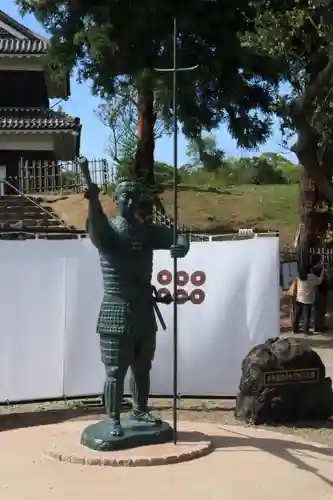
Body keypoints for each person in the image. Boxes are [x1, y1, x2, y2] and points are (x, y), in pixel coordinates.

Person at [84, 178, 190, 438]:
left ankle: (140, 410)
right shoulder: (107, 231)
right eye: (125, 197)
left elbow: (179, 234)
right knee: (114, 370)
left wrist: (182, 245)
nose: (130, 203)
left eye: (134, 198)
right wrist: (93, 199)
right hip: (115, 309)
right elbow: (95, 223)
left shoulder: (146, 231)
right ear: (117, 200)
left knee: (143, 366)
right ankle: (112, 417)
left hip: (143, 308)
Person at [292, 254, 324, 335]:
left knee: (297, 315)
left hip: (299, 298)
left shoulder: (299, 276)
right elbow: (319, 281)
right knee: (307, 316)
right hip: (307, 299)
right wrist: (323, 272)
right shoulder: (311, 276)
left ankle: (294, 329)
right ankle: (306, 331)